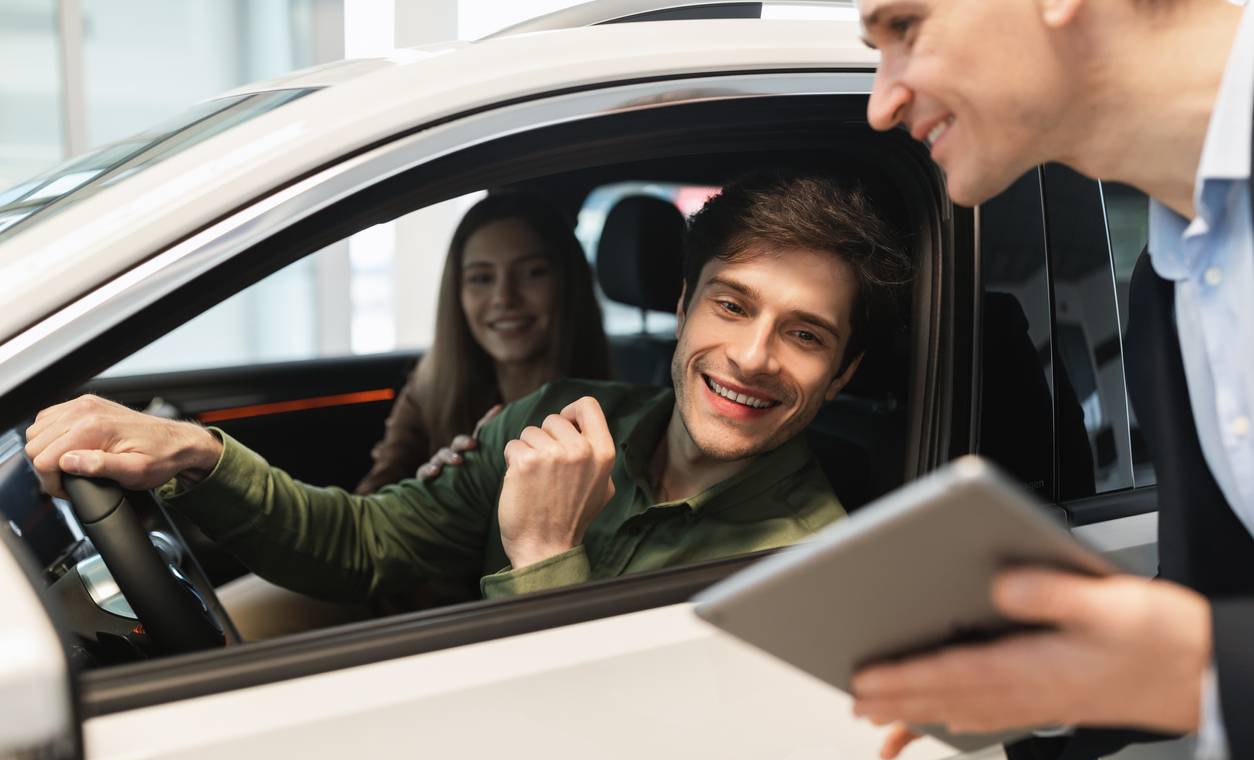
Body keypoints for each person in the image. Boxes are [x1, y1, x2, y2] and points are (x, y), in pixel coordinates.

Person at [25, 172, 911, 604]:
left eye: (805, 335)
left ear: (843, 375)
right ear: (683, 306)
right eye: (732, 304)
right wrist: (201, 454)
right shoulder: (557, 413)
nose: (753, 357)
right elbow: (365, 543)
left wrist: (542, 553)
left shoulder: (810, 570)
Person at [850, 0, 1254, 760]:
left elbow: (1210, 649)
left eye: (904, 28)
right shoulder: (1169, 293)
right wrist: (1053, 669)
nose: (881, 101)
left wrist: (1202, 666)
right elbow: (1220, 606)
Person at [356, 190, 613, 494]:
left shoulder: (615, 409)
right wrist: (426, 495)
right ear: (457, 292)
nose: (504, 298)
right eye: (481, 278)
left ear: (568, 282)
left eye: (531, 273)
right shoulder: (430, 388)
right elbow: (371, 506)